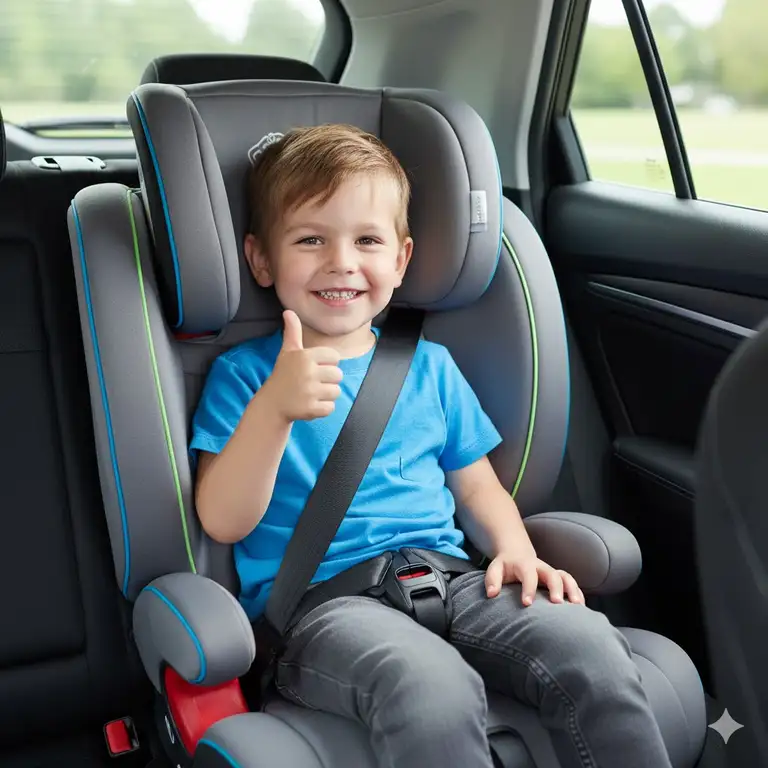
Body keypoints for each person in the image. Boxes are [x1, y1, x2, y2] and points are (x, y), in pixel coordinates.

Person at [189, 124, 672, 768]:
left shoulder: (430, 367)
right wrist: (274, 411)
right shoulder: (246, 376)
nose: (341, 261)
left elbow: (475, 486)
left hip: (453, 577)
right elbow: (223, 519)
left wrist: (516, 552)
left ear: (401, 258)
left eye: (367, 240)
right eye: (310, 240)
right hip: (324, 609)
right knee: (431, 687)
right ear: (260, 259)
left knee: (590, 645)